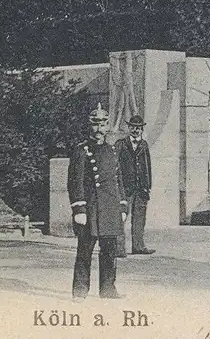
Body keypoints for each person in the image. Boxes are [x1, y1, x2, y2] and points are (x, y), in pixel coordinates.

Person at [67, 103, 128, 301]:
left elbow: (119, 180)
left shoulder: (112, 150)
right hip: (91, 208)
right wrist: (79, 208)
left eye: (102, 125)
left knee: (110, 251)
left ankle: (108, 288)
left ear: (107, 126)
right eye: (95, 124)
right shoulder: (81, 150)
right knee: (85, 250)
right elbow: (74, 182)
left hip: (110, 207)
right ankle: (80, 290)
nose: (99, 129)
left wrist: (122, 205)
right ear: (90, 126)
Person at [115, 115, 155, 256]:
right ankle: (119, 249)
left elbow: (147, 166)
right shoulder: (121, 144)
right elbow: (116, 165)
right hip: (126, 188)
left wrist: (148, 186)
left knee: (139, 218)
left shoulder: (144, 145)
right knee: (121, 217)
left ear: (142, 129)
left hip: (141, 188)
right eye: (133, 127)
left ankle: (138, 246)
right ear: (129, 128)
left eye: (138, 128)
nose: (135, 130)